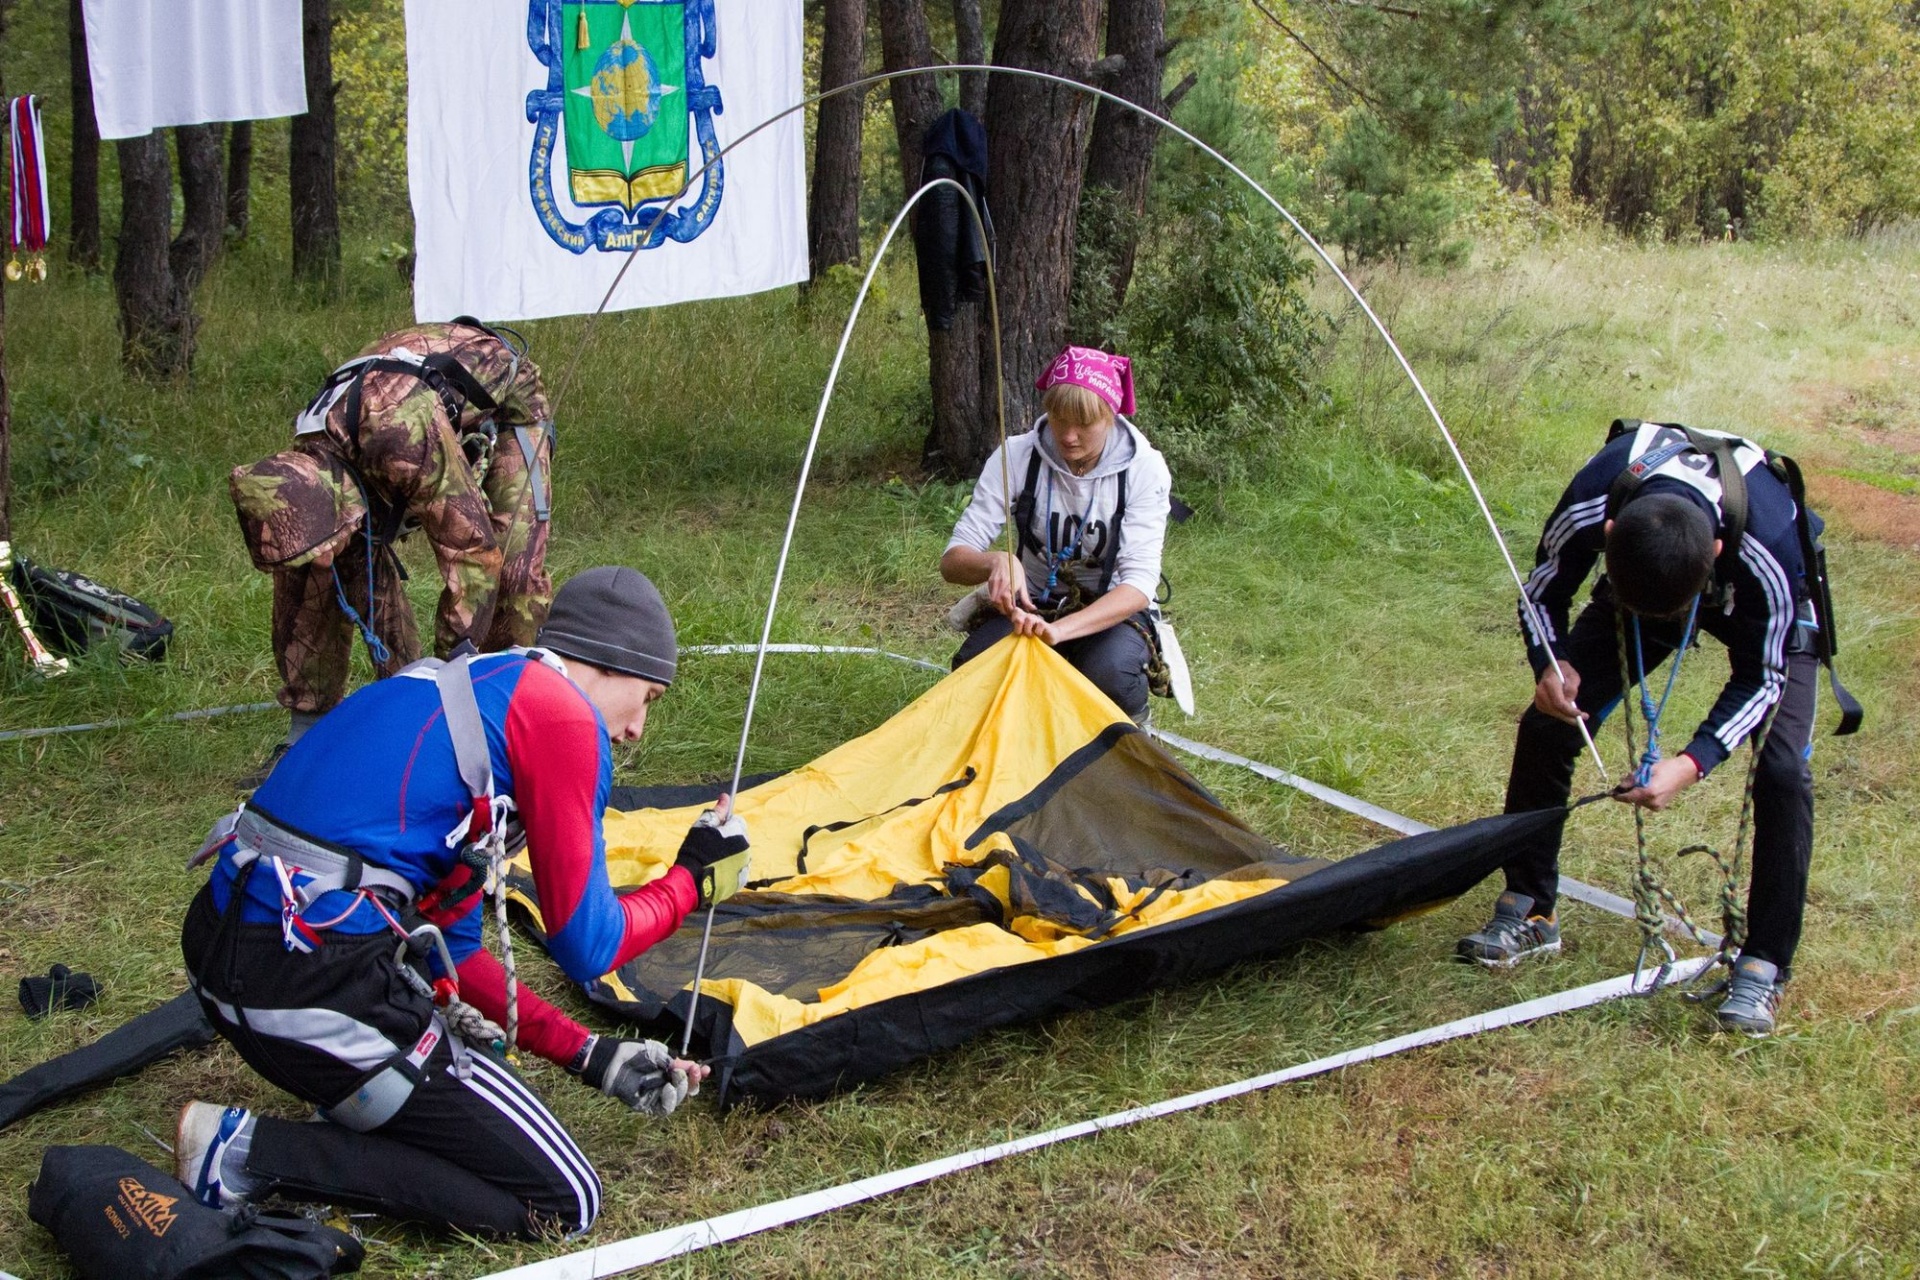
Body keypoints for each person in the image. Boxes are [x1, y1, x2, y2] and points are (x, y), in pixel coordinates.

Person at [173, 567, 752, 1238]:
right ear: (610, 661)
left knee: (462, 1067)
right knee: (566, 1200)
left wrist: (590, 1054)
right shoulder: (561, 715)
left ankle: (346, 1105)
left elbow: (458, 950)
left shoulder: (462, 687)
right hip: (306, 977)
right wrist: (692, 881)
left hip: (230, 955)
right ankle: (245, 1155)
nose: (637, 729)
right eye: (647, 696)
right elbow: (589, 944)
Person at [1458, 420, 1837, 1037]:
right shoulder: (1592, 503)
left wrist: (1689, 764)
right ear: (1609, 539)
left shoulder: (1771, 544)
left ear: (1715, 553)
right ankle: (1531, 910)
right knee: (1549, 723)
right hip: (1653, 575)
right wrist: (1549, 664)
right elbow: (1544, 589)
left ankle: (1763, 964)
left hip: (1768, 614)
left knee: (1783, 770)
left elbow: (1763, 676)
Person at [230, 318, 556, 770]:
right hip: (391, 417)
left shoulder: (400, 436)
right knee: (316, 576)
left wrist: (445, 678)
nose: (321, 556)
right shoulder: (301, 470)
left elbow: (473, 554)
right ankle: (309, 733)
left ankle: (507, 721)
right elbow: (353, 577)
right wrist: (403, 681)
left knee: (512, 576)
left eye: (321, 544)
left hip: (504, 406)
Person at [941, 346, 1173, 717]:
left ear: (1110, 417)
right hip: (1030, 605)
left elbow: (1139, 586)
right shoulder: (1016, 455)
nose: (1068, 436)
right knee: (976, 665)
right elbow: (952, 563)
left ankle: (1130, 735)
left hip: (1108, 611)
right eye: (1060, 418)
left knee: (1108, 673)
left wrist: (1061, 632)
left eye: (1085, 424)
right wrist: (996, 562)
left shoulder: (1143, 469)